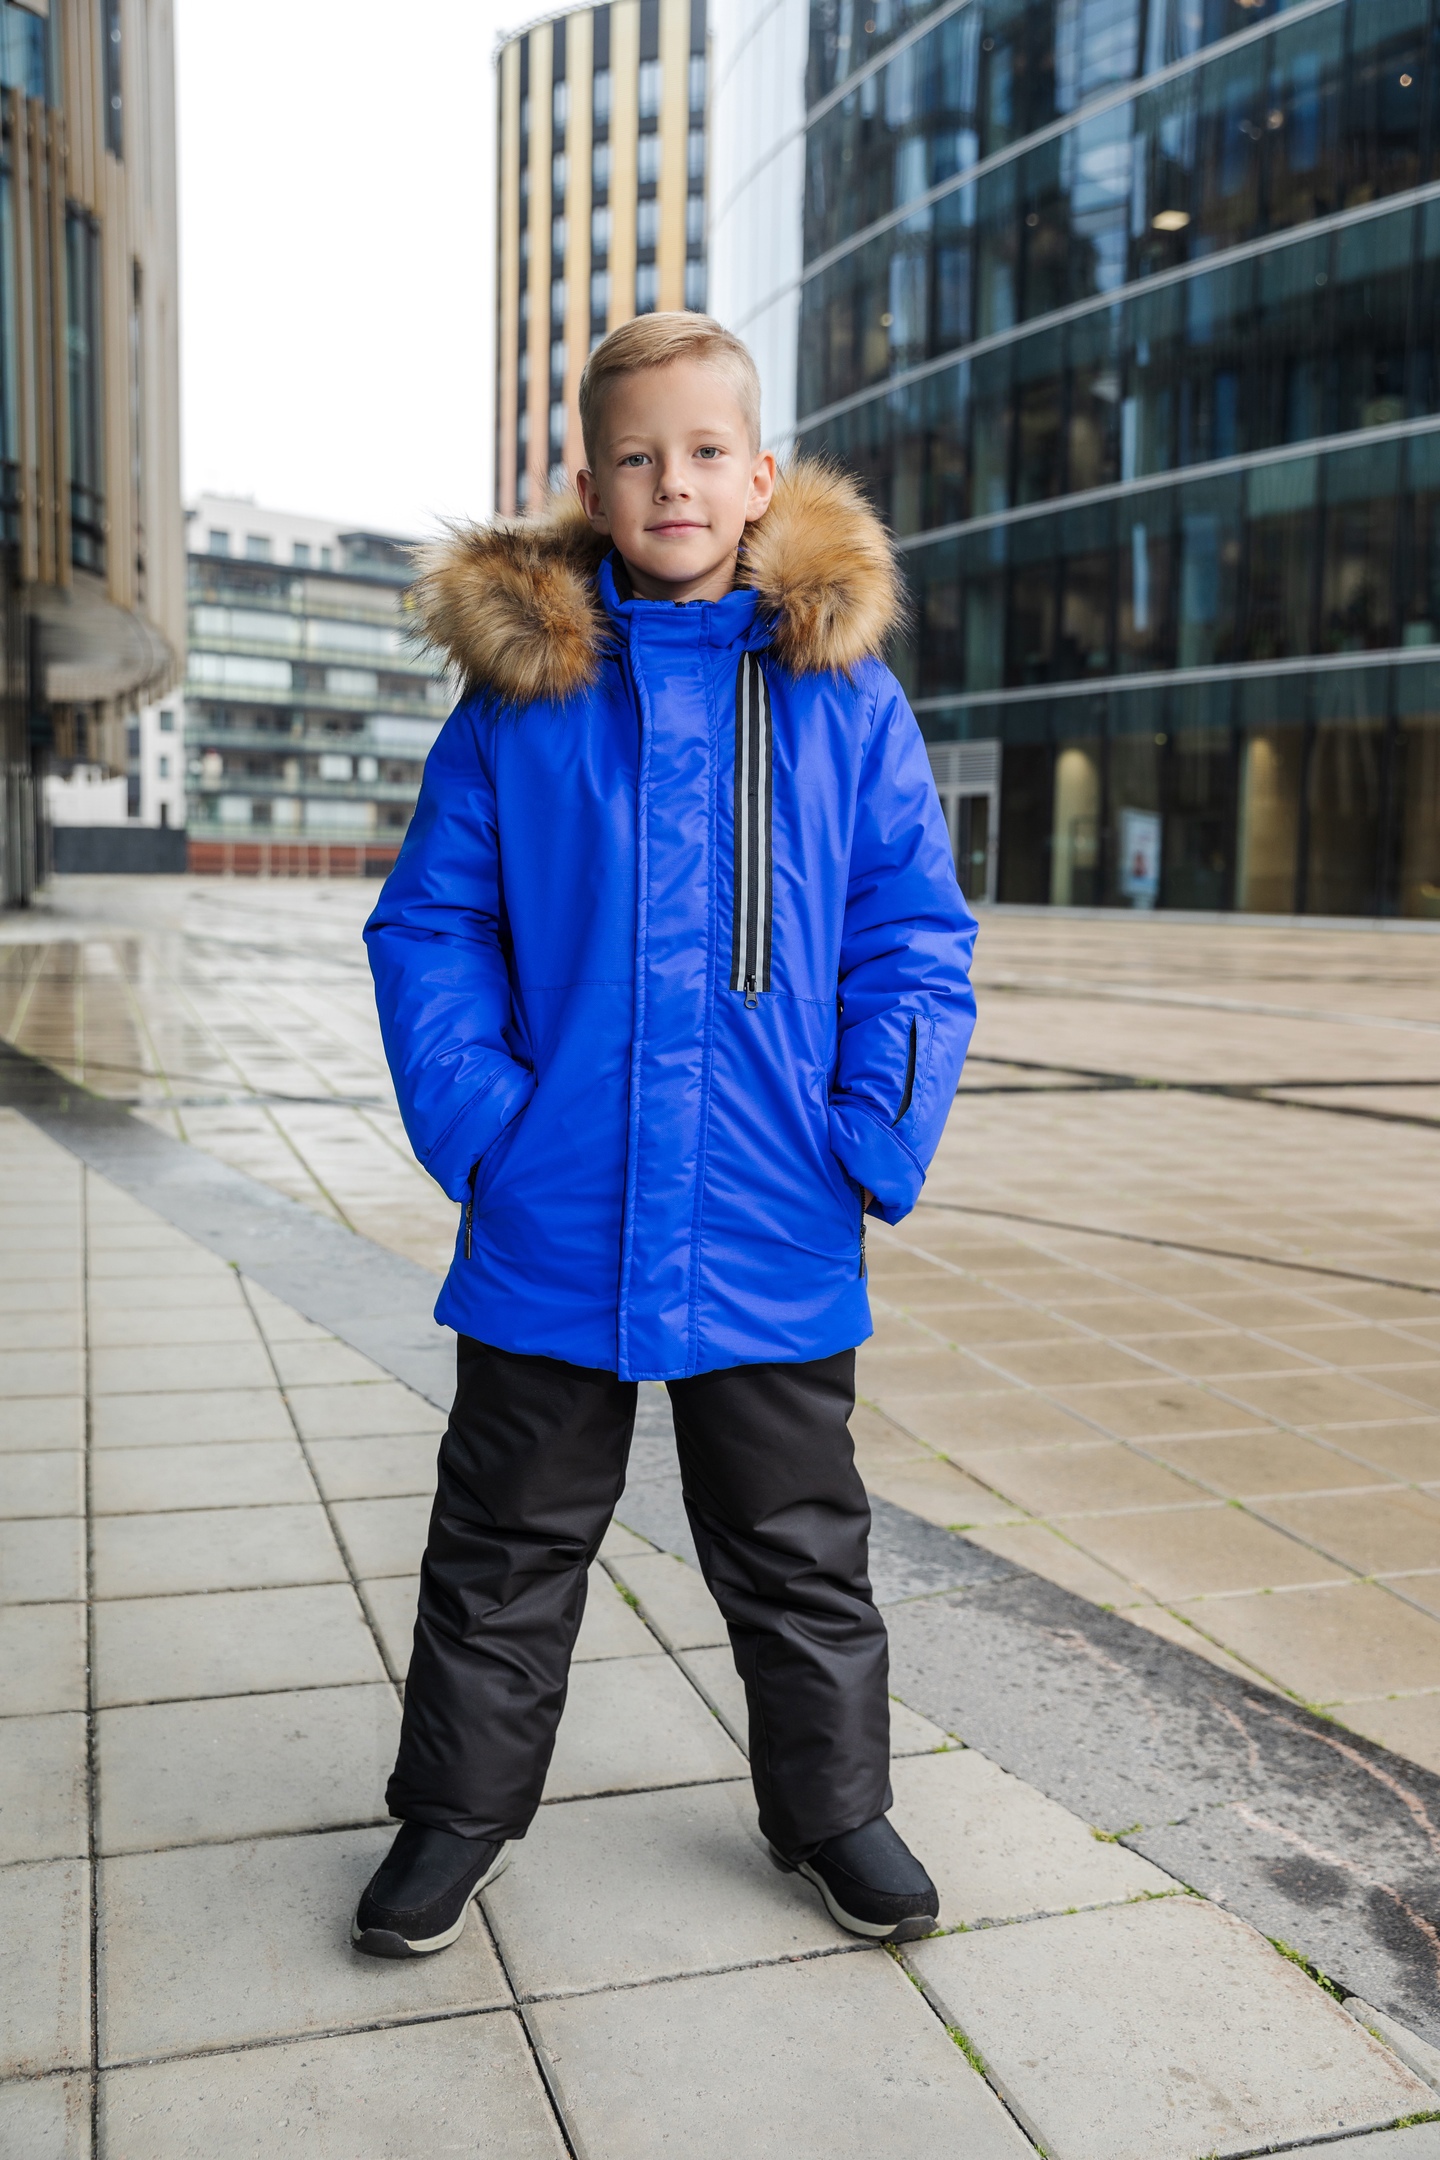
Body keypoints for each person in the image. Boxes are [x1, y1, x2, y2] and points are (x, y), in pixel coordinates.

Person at [354, 313, 977, 1960]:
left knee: (798, 1543)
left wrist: (870, 1133)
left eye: (705, 452)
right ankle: (456, 1812)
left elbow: (913, 938)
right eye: (637, 456)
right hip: (555, 1202)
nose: (673, 482)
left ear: (762, 476)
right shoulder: (521, 705)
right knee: (504, 1540)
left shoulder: (843, 700)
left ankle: (832, 1809)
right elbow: (432, 925)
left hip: (774, 1204)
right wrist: (486, 1127)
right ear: (590, 484)